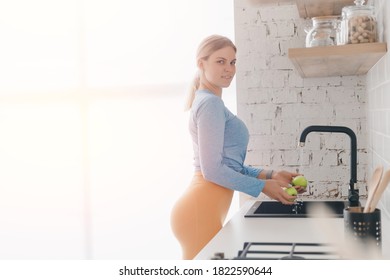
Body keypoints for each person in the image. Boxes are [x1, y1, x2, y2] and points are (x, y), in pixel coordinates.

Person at [170, 35, 304, 260]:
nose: (229, 69)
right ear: (201, 64)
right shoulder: (210, 104)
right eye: (220, 61)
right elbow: (212, 170)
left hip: (202, 209)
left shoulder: (210, 103)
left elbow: (229, 165)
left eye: (232, 62)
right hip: (199, 210)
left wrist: (271, 175)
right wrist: (262, 186)